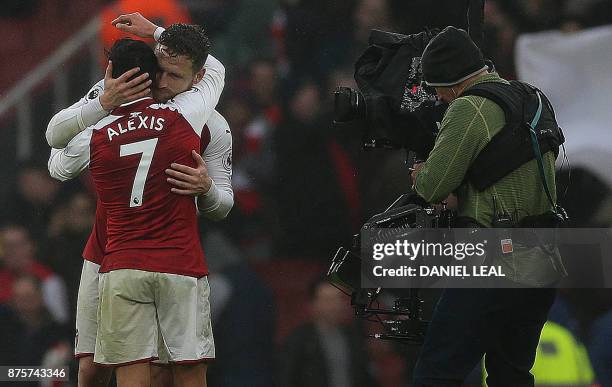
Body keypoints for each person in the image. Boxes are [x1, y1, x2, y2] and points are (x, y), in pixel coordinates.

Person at [46, 16, 230, 387]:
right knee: (93, 368)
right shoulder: (117, 91)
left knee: (158, 369)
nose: (159, 82)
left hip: (145, 256)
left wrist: (206, 187)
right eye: (157, 70)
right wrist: (104, 103)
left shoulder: (210, 124)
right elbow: (58, 164)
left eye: (173, 77)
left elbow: (222, 204)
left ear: (195, 80)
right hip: (106, 251)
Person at [410, 26, 565, 386]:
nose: (440, 99)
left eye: (438, 91)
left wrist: (420, 172)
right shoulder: (532, 97)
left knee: (436, 373)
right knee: (511, 375)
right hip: (544, 257)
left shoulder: (469, 107)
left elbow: (433, 187)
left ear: (450, 82)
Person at [278, 278, 377, 387]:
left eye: (338, 299)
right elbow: (287, 378)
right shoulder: (299, 339)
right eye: (328, 300)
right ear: (314, 304)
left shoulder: (353, 337)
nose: (335, 306)